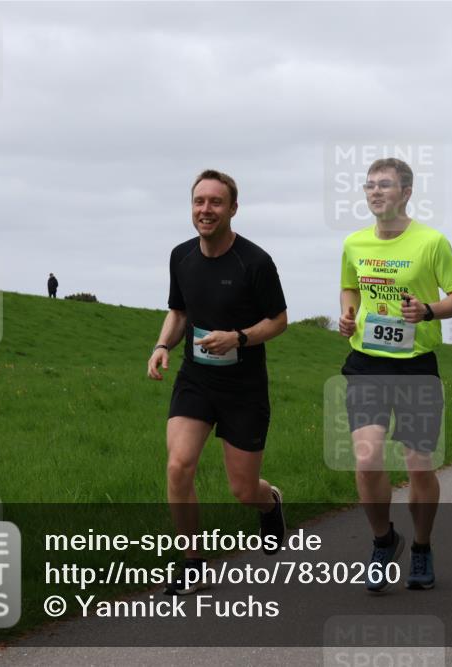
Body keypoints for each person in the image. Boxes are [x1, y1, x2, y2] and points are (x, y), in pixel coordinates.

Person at [147, 169, 288, 595]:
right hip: (196, 379)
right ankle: (192, 563)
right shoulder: (181, 257)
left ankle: (270, 503)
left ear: (232, 209)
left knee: (243, 491)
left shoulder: (255, 262)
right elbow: (179, 310)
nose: (205, 210)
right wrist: (162, 345)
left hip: (243, 388)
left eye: (215, 202)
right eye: (199, 202)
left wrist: (239, 338)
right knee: (178, 465)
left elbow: (279, 321)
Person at [338, 157, 452, 593]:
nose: (376, 192)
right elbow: (350, 285)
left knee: (418, 465)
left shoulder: (432, 242)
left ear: (407, 193)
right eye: (370, 186)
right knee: (367, 456)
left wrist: (428, 310)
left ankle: (422, 546)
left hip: (415, 365)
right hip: (367, 362)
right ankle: (383, 540)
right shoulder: (355, 243)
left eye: (386, 185)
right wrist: (347, 312)